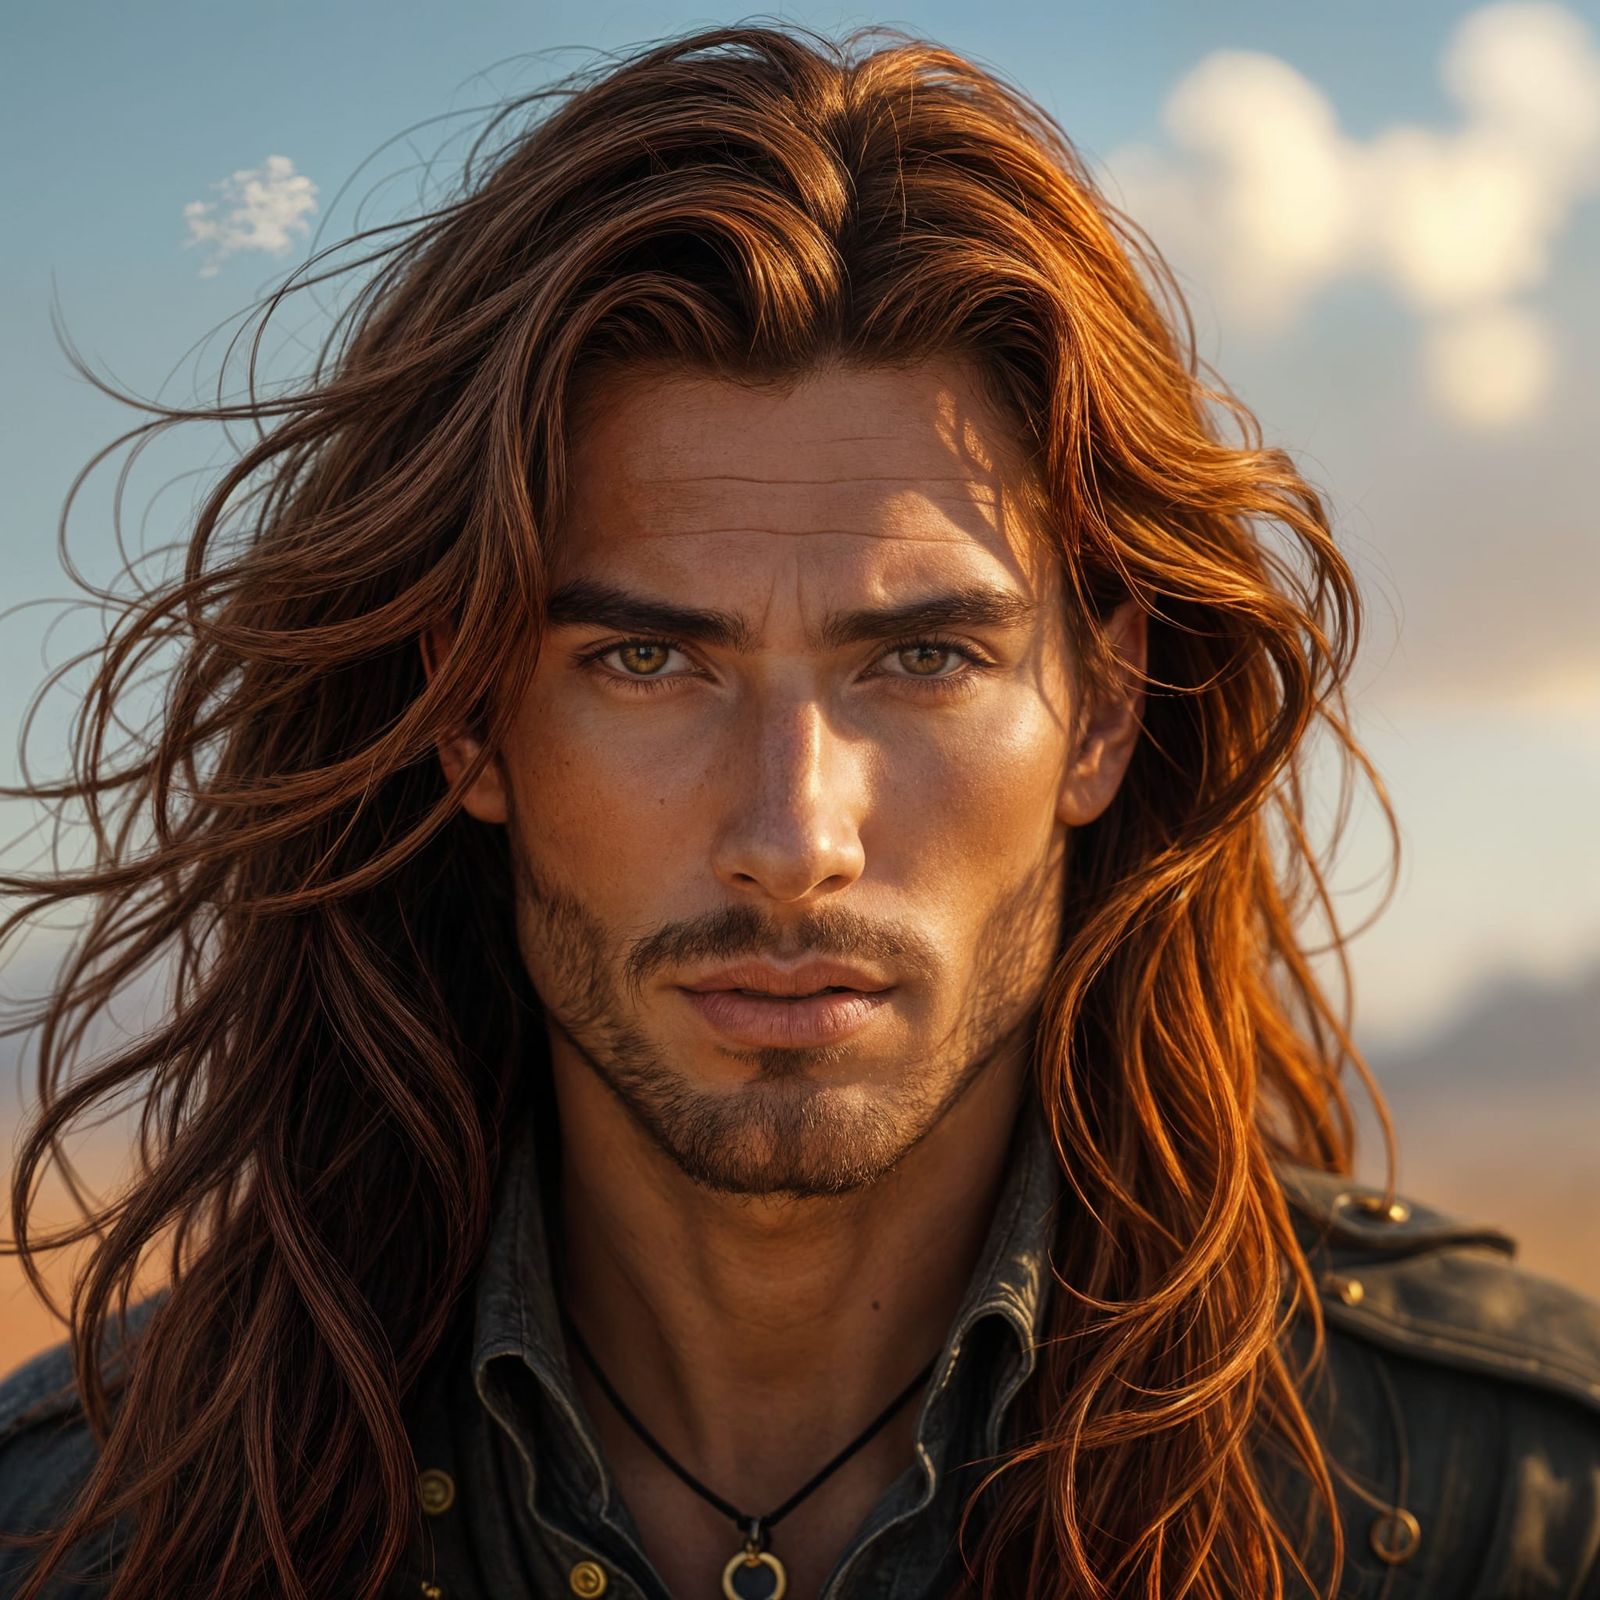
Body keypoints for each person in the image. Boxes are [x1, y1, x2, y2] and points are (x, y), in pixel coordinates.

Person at [2, 23, 1597, 1600]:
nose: (793, 832)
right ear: (470, 716)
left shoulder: (1500, 1510)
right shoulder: (85, 1527)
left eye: (920, 656)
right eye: (648, 658)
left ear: (1103, 713)